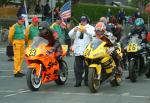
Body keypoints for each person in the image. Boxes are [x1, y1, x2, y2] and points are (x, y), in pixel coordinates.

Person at [68, 16, 95, 87]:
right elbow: (70, 35)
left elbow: (94, 35)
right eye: (81, 20)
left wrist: (86, 31)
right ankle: (78, 82)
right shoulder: (77, 27)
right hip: (78, 51)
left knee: (87, 68)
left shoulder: (91, 28)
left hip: (87, 51)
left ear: (87, 21)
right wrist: (74, 30)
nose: (82, 22)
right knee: (78, 68)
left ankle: (86, 81)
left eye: (84, 20)